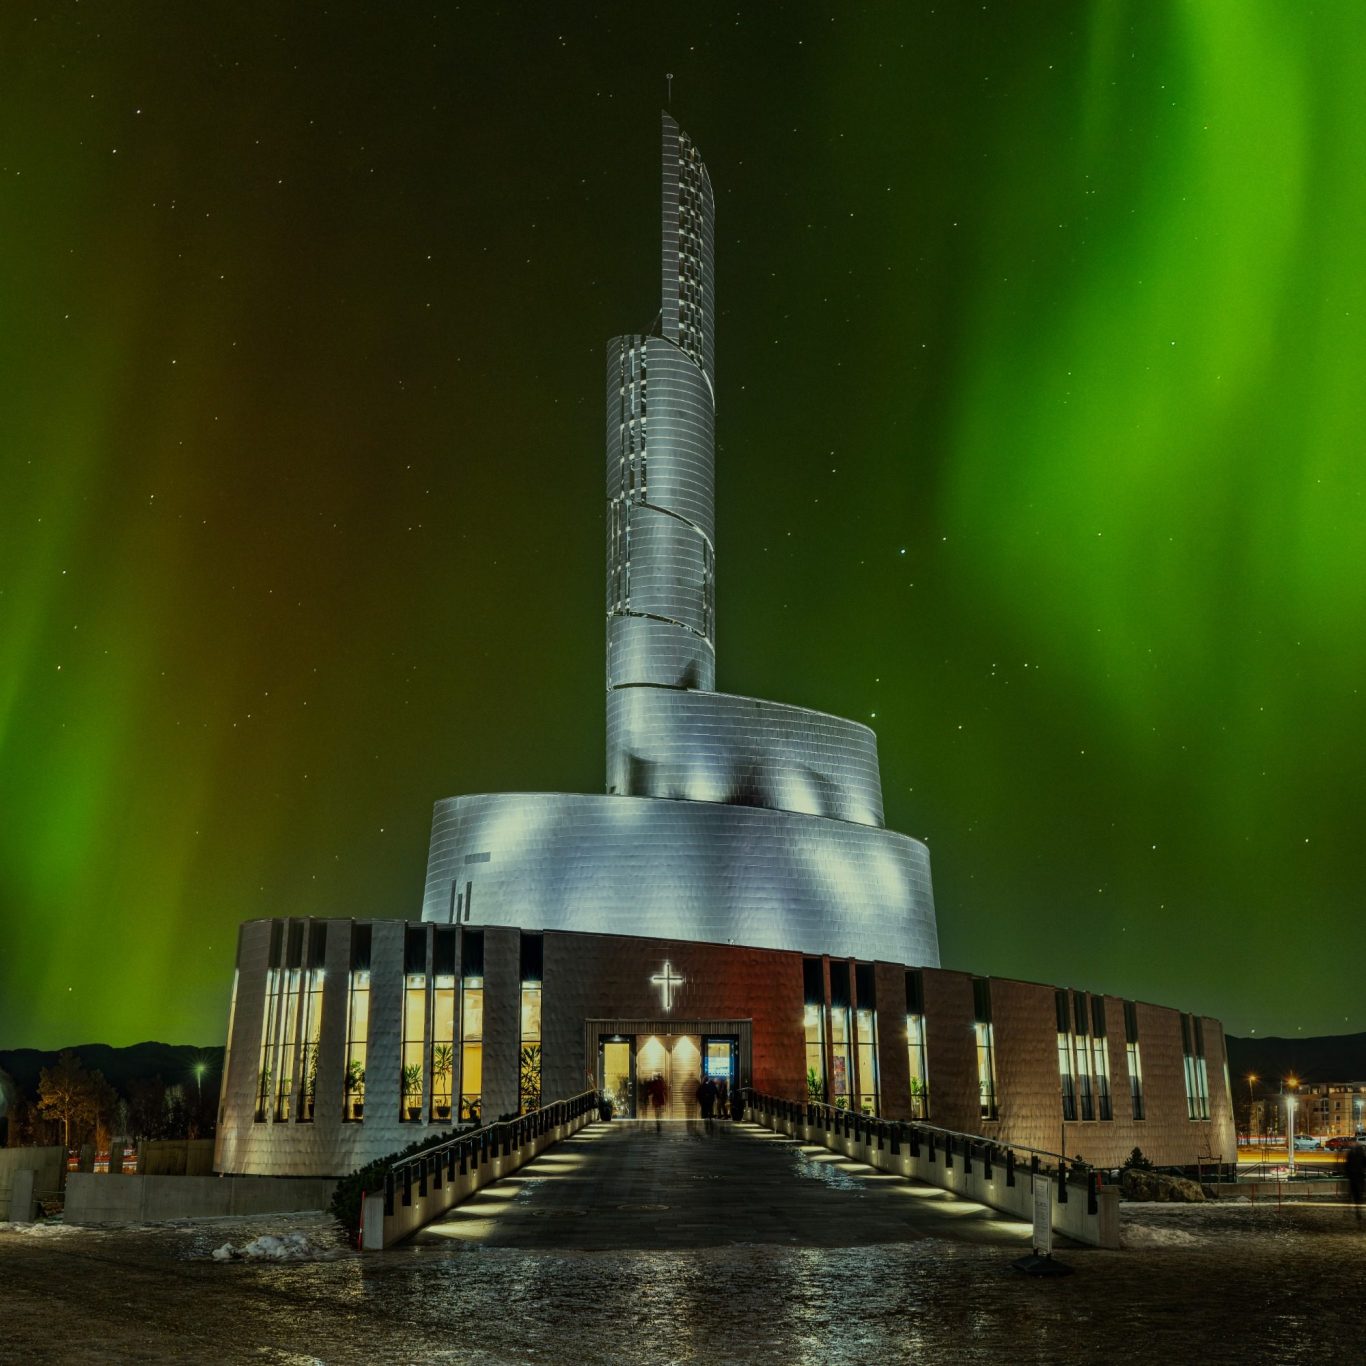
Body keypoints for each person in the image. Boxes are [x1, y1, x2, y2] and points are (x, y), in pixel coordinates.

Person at [1344, 1140, 1366, 1221]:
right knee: (1358, 1195)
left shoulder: (1351, 1153)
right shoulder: (1359, 1153)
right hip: (1358, 1177)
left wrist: (1348, 1174)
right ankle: (1357, 1211)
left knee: (1353, 1194)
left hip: (1354, 1177)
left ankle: (1353, 1211)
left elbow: (1347, 1165)